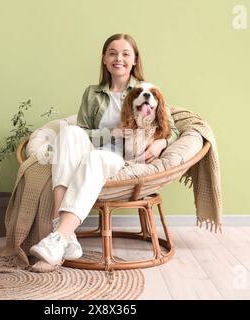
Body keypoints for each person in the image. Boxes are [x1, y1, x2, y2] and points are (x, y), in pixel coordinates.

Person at [29, 33, 179, 266]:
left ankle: (58, 236)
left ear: (135, 60)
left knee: (96, 158)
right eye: (112, 53)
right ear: (104, 59)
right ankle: (62, 233)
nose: (119, 58)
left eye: (125, 54)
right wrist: (111, 134)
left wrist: (162, 142)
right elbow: (81, 131)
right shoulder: (92, 93)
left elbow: (174, 128)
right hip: (93, 147)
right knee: (67, 133)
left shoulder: (146, 91)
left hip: (118, 158)